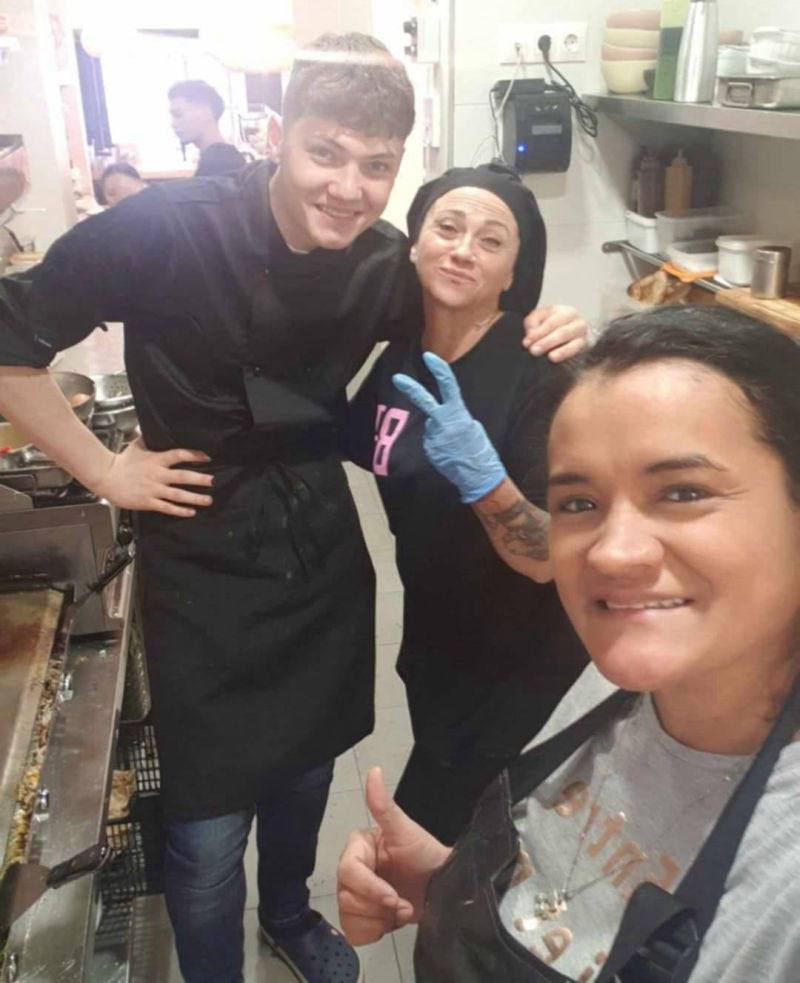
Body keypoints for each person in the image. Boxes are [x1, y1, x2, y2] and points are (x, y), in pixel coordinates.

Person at [0, 33, 586, 983]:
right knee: (204, 832)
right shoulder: (164, 226)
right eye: (325, 153)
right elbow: (10, 335)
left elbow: (469, 303)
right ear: (276, 135)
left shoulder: (383, 261)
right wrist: (106, 469)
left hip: (318, 549)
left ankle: (288, 914)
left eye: (376, 167)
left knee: (307, 773)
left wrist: (548, 323)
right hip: (198, 554)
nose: (348, 189)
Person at [337, 305, 800, 983]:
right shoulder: (603, 685)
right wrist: (448, 886)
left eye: (682, 491)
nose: (612, 553)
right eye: (579, 503)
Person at [346, 162, 587, 844]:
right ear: (415, 244)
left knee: (440, 844)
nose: (462, 249)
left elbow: (549, 559)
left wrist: (485, 481)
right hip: (436, 649)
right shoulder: (397, 360)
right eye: (447, 228)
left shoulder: (540, 371)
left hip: (522, 667)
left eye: (491, 240)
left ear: (513, 271)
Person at [168, 79, 248, 176]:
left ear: (206, 112)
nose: (173, 124)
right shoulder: (221, 157)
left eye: (178, 114)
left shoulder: (220, 162)